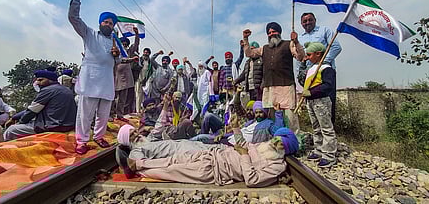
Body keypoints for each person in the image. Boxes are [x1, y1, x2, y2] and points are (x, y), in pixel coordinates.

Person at [121, 126, 298, 187]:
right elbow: (244, 146)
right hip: (212, 154)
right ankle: (137, 164)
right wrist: (236, 130)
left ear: (285, 149)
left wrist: (244, 156)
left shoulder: (276, 166)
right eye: (276, 139)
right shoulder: (263, 145)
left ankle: (139, 172)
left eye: (280, 142)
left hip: (215, 170)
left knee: (173, 170)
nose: (275, 142)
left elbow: (252, 180)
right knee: (173, 159)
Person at [68, 0, 121, 154]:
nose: (108, 25)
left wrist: (117, 56)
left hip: (106, 81)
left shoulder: (114, 41)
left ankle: (99, 136)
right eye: (106, 22)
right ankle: (81, 141)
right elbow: (73, 18)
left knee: (104, 113)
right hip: (90, 79)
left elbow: (116, 61)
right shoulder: (89, 33)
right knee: (85, 114)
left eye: (111, 23)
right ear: (100, 23)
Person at [242, 22, 305, 133]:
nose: (271, 34)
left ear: (279, 32)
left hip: (286, 86)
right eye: (269, 32)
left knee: (290, 116)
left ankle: (293, 141)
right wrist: (246, 39)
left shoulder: (289, 44)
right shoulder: (264, 48)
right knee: (272, 115)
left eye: (273, 31)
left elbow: (301, 56)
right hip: (270, 86)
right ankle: (275, 139)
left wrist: (296, 42)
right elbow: (249, 53)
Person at [4, 70, 77, 141]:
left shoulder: (47, 90)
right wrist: (15, 117)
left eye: (40, 80)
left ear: (50, 80)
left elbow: (31, 112)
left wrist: (20, 122)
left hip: (53, 127)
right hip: (69, 126)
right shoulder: (66, 90)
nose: (38, 83)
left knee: (11, 130)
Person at [298, 12, 342, 124]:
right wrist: (301, 73)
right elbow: (300, 58)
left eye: (310, 20)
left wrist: (320, 63)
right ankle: (318, 136)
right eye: (304, 21)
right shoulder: (300, 38)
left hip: (323, 73)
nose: (307, 22)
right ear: (301, 23)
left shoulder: (325, 31)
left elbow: (336, 47)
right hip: (309, 75)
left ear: (315, 20)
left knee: (327, 104)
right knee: (313, 105)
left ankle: (330, 134)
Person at [302, 42, 337, 168]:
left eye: (309, 54)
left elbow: (328, 86)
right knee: (316, 127)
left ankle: (329, 155)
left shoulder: (326, 69)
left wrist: (311, 92)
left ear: (318, 54)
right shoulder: (312, 69)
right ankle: (319, 149)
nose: (307, 57)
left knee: (326, 127)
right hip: (310, 102)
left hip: (321, 101)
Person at [114, 32, 140, 118]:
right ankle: (111, 114)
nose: (124, 45)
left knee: (123, 99)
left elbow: (136, 44)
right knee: (113, 98)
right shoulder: (116, 51)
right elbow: (121, 60)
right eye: (123, 43)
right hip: (116, 77)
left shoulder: (129, 52)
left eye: (125, 43)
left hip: (127, 78)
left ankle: (120, 115)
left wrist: (137, 34)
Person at [135, 47, 155, 113]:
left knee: (145, 96)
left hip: (146, 82)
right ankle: (137, 111)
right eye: (145, 52)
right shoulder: (140, 60)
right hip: (139, 80)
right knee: (138, 95)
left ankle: (143, 110)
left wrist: (147, 80)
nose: (145, 53)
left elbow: (152, 72)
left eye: (147, 53)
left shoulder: (150, 62)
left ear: (149, 54)